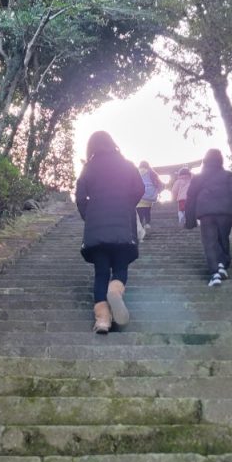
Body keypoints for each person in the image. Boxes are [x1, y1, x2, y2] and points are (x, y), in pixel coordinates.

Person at [76, 131, 145, 333]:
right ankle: (115, 290)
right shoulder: (127, 165)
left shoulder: (88, 168)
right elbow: (140, 188)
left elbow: (80, 196)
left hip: (97, 228)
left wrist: (89, 215)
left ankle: (103, 320)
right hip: (123, 226)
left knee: (101, 273)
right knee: (120, 268)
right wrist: (126, 203)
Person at [185, 149, 232, 287]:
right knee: (222, 239)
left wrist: (189, 218)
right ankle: (222, 265)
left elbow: (191, 197)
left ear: (205, 161)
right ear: (220, 160)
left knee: (210, 242)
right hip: (226, 212)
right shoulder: (229, 176)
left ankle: (215, 273)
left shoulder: (198, 177)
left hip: (206, 213)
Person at [136, 161, 163, 233]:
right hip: (149, 196)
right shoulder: (151, 172)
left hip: (139, 196)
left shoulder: (136, 172)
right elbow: (160, 184)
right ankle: (147, 223)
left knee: (140, 213)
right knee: (147, 211)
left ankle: (140, 227)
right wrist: (158, 191)